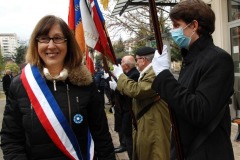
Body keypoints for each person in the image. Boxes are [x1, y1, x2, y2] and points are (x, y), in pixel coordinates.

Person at [0, 15, 115, 160]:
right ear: (36, 44)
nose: (51, 45)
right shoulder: (20, 85)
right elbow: (11, 138)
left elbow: (101, 135)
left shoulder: (86, 83)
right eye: (44, 38)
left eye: (58, 38)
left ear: (68, 44)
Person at [151, 0, 235, 159]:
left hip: (206, 153)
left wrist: (163, 76)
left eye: (176, 25)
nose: (173, 30)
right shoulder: (191, 59)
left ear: (194, 25)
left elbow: (199, 111)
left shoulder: (218, 59)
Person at [111, 47, 171, 160]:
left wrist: (120, 77)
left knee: (155, 153)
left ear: (143, 60)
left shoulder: (154, 72)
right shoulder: (148, 72)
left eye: (137, 59)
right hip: (148, 121)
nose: (136, 62)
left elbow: (137, 91)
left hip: (153, 122)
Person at [109, 56, 139, 159]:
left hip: (128, 109)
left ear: (126, 65)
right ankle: (125, 147)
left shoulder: (134, 74)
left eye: (121, 62)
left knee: (129, 136)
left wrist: (116, 87)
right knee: (124, 133)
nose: (120, 64)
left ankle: (131, 155)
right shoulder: (127, 74)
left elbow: (128, 92)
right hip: (122, 108)